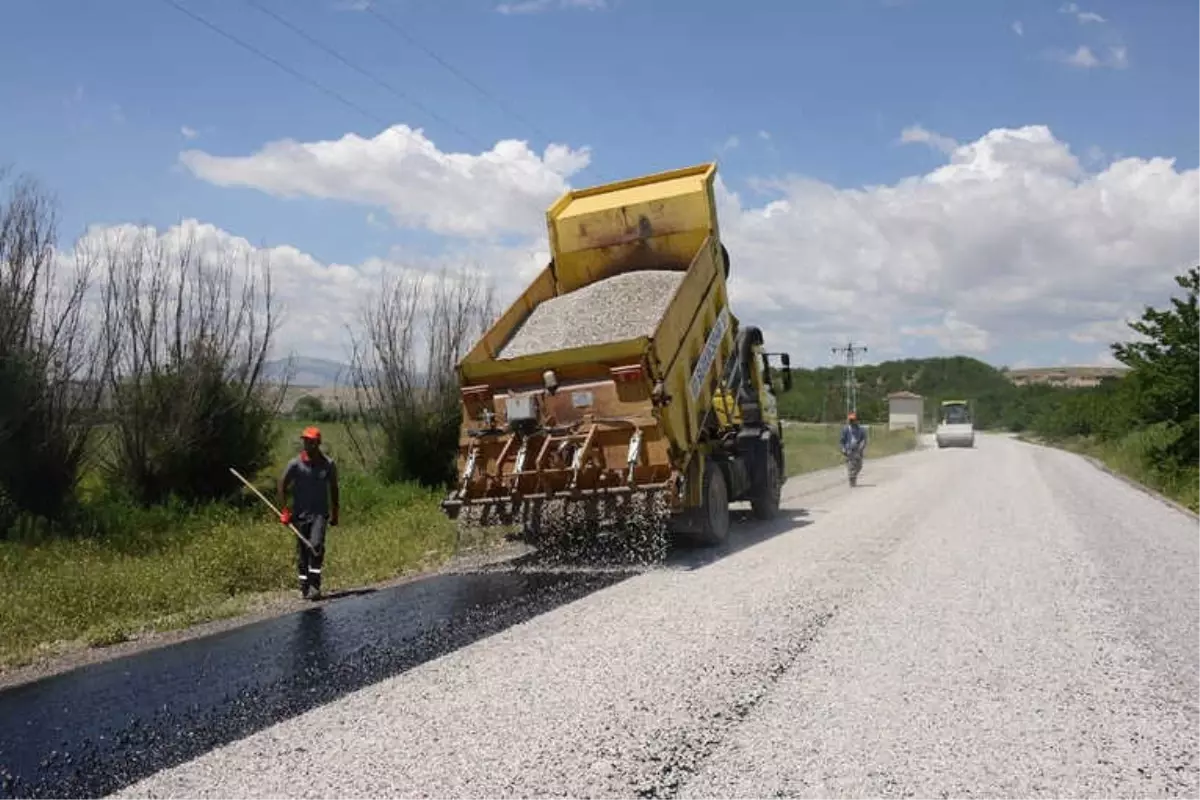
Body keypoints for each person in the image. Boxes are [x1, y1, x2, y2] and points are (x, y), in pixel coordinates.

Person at [278, 426, 340, 600]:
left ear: (318, 443)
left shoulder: (328, 464)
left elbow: (334, 489)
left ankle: (315, 584)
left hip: (319, 514)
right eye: (305, 441)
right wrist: (284, 510)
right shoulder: (295, 464)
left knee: (316, 545)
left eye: (311, 441)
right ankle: (304, 585)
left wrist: (335, 513)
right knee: (303, 552)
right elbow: (282, 484)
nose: (307, 444)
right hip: (299, 516)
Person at [840, 412, 868, 477]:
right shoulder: (845, 429)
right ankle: (851, 477)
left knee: (859, 466)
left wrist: (862, 446)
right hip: (849, 450)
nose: (851, 422)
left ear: (856, 420)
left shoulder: (861, 429)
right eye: (850, 420)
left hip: (858, 450)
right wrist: (843, 448)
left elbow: (864, 439)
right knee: (850, 466)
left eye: (853, 420)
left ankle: (853, 475)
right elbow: (842, 441)